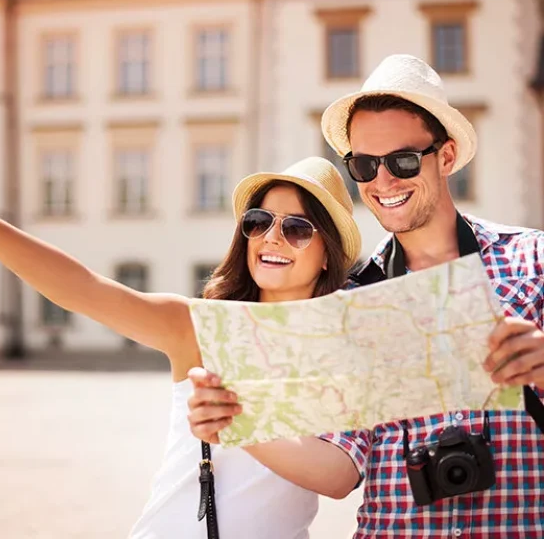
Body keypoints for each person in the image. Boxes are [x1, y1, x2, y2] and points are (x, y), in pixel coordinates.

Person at [187, 55, 544, 537]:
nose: (383, 181)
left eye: (402, 160)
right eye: (363, 165)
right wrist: (234, 420)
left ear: (446, 156)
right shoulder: (351, 303)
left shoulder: (534, 260)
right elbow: (338, 471)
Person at [0, 156, 362, 538]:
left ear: (328, 254)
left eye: (296, 229)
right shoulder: (200, 327)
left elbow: (338, 477)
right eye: (259, 221)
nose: (272, 238)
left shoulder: (341, 349)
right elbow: (81, 289)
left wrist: (235, 423)